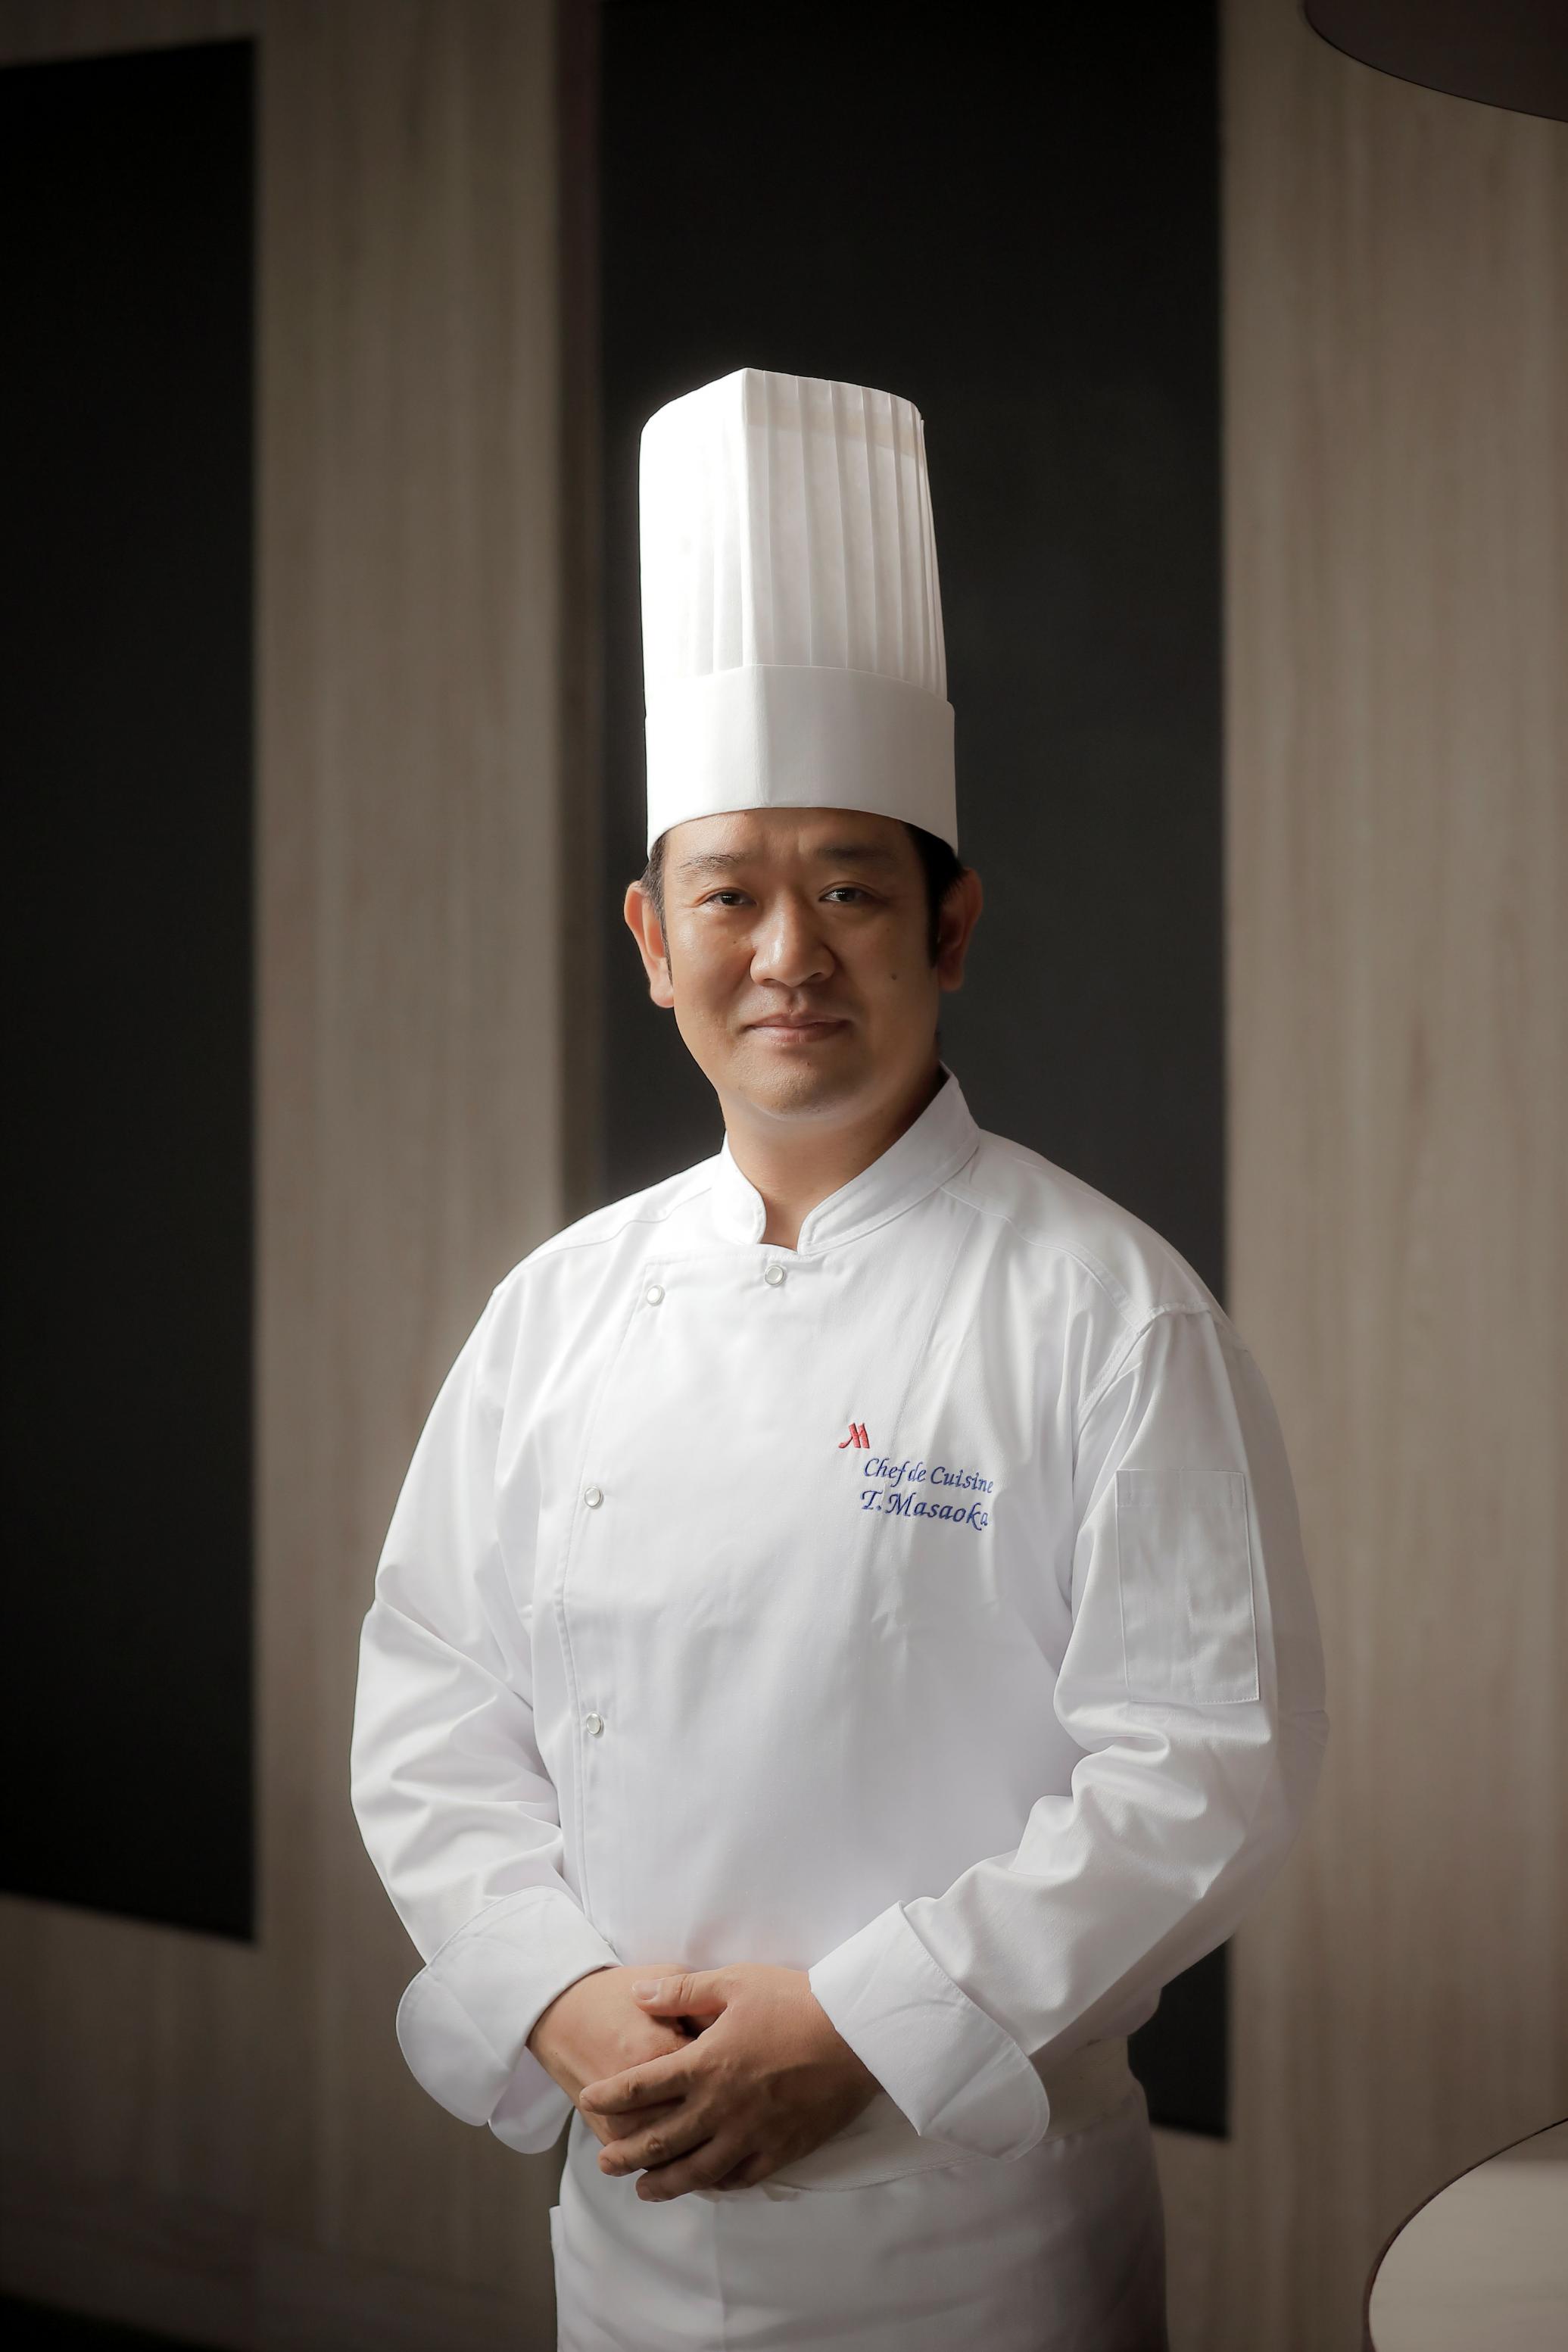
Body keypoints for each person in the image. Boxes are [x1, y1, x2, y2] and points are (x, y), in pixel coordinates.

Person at [349, 367, 1330, 2350]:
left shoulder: (1103, 1308)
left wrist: (865, 2024)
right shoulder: (559, 1307)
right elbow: (434, 1699)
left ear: (950, 926)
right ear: (653, 939)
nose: (789, 951)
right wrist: (558, 1993)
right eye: (732, 892)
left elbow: (1206, 1759)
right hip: (626, 2213)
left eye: (852, 890)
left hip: (972, 2235)